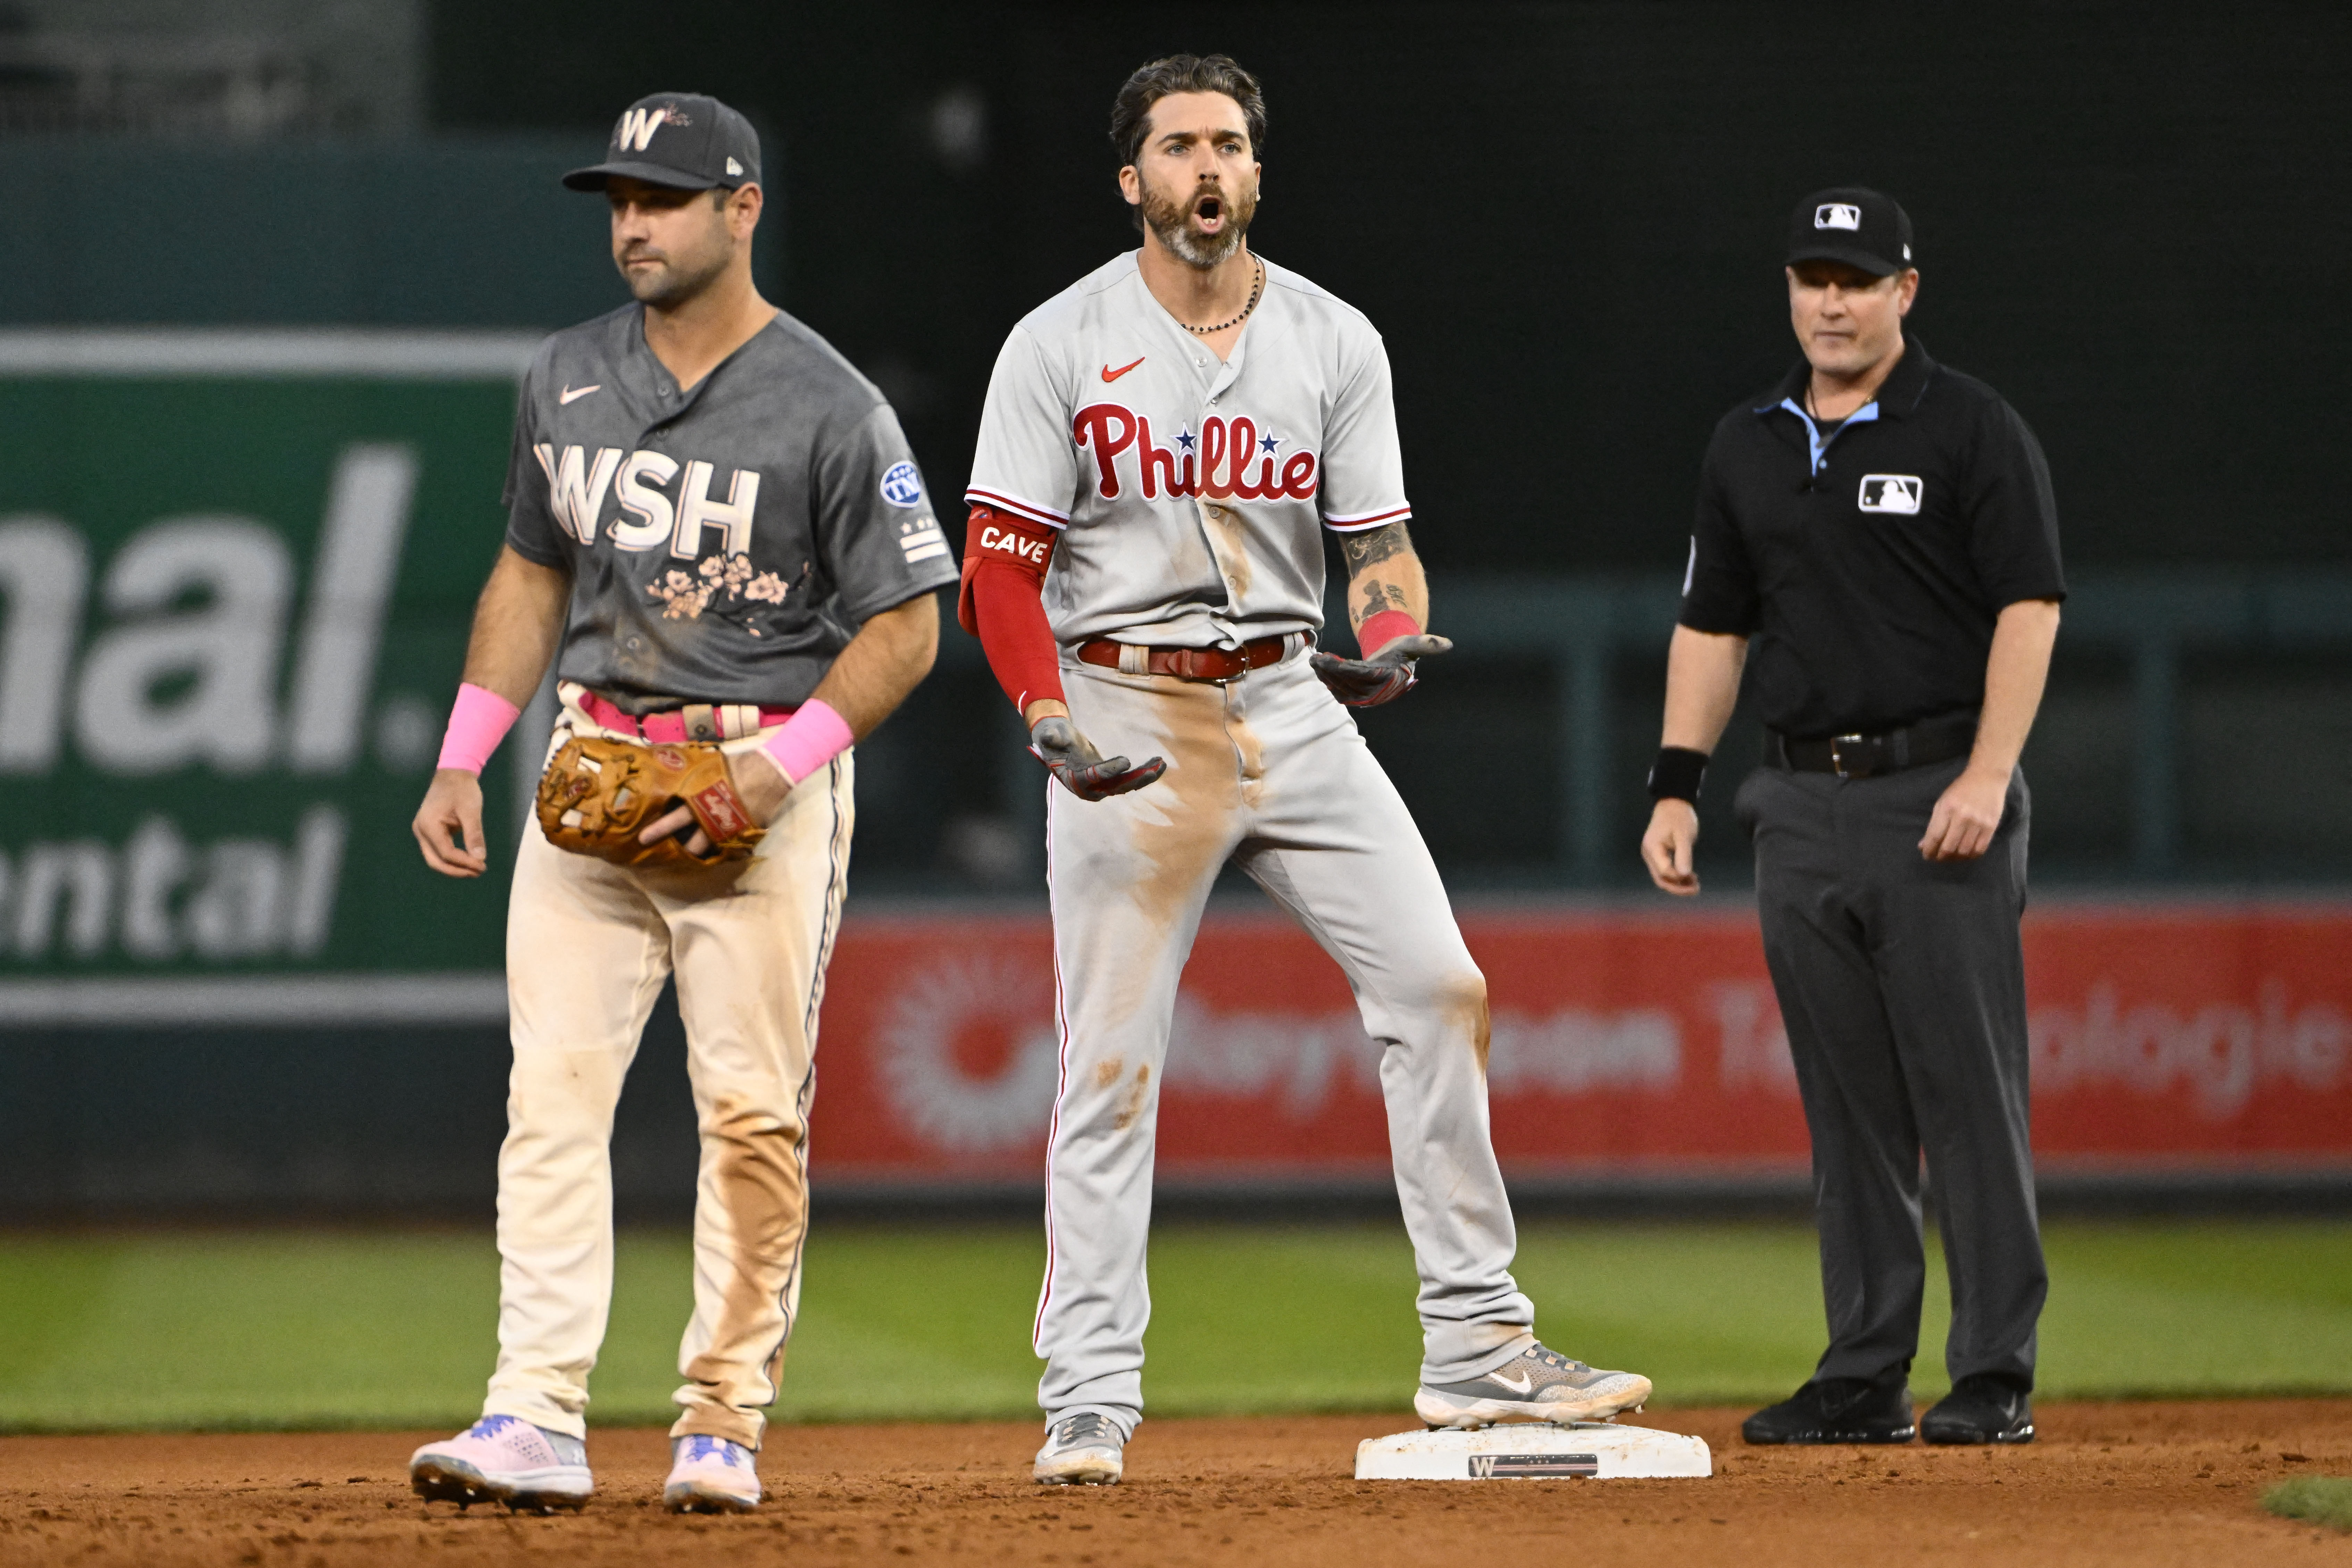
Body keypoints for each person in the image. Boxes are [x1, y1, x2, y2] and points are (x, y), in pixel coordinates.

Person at [960, 53, 1653, 1486]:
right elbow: (998, 572)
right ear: (1130, 179)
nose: (1202, 167)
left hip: (1290, 696)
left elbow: (1377, 549)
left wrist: (1389, 634)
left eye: (1225, 143)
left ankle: (1474, 1339)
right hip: (1122, 706)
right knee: (1108, 1065)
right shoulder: (1057, 343)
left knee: (1439, 984)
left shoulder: (1333, 339)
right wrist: (1043, 714)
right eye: (1175, 146)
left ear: (1258, 173)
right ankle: (1087, 1393)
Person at [404, 92, 955, 1512]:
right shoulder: (566, 374)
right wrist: (465, 752)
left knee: (751, 1113)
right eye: (618, 200)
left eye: (662, 197)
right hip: (593, 770)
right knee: (550, 1102)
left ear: (741, 209)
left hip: (755, 781)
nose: (632, 223)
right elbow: (531, 573)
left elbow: (908, 622)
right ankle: (531, 1413)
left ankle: (720, 1420)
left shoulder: (832, 403)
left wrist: (780, 764)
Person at [1640, 187, 2063, 1446]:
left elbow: (2030, 609)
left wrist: (1988, 775)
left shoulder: (1972, 428)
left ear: (1905, 293)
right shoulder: (1747, 444)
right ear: (1789, 287)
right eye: (1814, 275)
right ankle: (1867, 1367)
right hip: (1796, 803)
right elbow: (1713, 625)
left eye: (1859, 277)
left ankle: (1993, 1370)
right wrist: (1676, 779)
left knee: (1967, 1096)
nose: (1833, 299)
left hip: (1937, 794)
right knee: (1847, 1105)